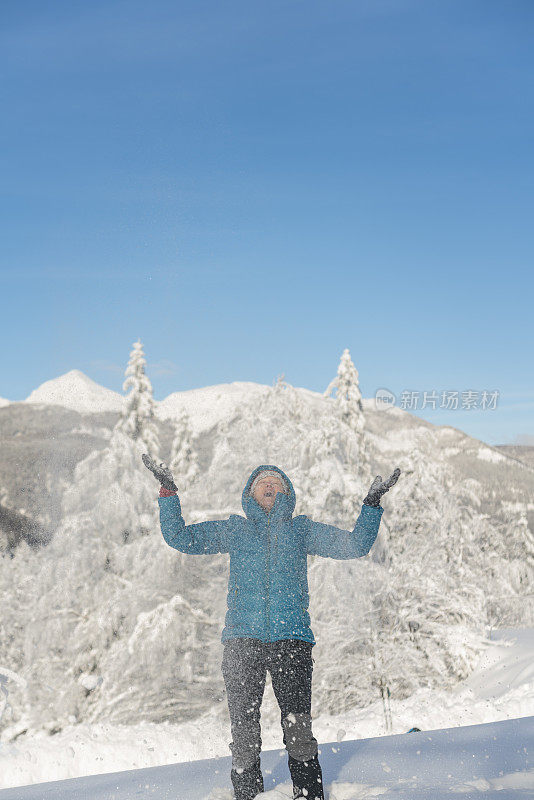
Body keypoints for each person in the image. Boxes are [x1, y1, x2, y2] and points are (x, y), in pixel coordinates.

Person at [142, 455, 400, 800]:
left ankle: (308, 794)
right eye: (261, 482)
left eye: (276, 483)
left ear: (287, 493)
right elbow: (180, 538)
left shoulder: (301, 530)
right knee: (244, 734)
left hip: (291, 639)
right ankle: (247, 795)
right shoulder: (234, 530)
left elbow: (355, 545)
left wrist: (371, 506)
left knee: (298, 729)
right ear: (249, 494)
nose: (268, 486)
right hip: (241, 641)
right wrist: (168, 494)